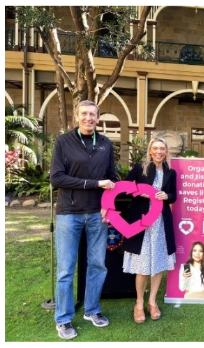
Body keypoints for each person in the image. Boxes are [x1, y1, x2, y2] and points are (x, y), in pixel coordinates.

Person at [49, 100, 117, 339]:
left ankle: (92, 310)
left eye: (93, 115)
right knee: (66, 269)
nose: (89, 118)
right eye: (84, 114)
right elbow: (57, 178)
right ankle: (64, 319)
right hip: (69, 213)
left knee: (97, 265)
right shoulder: (64, 142)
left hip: (98, 215)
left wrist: (109, 206)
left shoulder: (106, 144)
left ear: (98, 118)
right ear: (77, 117)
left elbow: (112, 179)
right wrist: (93, 184)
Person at [121, 137, 178, 323]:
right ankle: (139, 303)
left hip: (161, 222)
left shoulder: (171, 172)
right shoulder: (141, 168)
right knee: (143, 265)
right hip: (143, 223)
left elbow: (174, 196)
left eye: (162, 148)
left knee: (159, 262)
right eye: (156, 148)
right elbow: (125, 188)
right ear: (150, 151)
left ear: (166, 151)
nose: (159, 151)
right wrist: (139, 192)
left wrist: (165, 195)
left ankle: (152, 301)